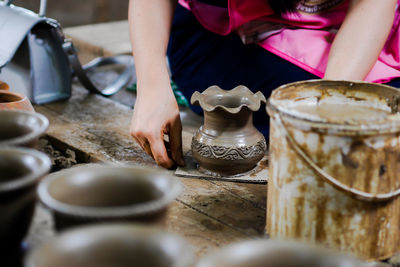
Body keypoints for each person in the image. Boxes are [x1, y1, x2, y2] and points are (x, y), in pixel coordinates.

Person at [128, 0, 400, 168]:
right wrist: (151, 86)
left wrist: (328, 107)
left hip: (348, 25)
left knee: (379, 109)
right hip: (229, 32)